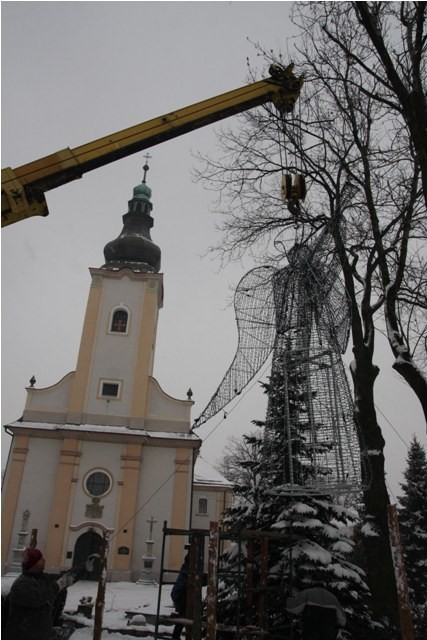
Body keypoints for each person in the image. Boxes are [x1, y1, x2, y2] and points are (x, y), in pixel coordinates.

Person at [5, 547, 95, 640]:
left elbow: (65, 578)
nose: (44, 560)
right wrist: (57, 586)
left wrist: (84, 568)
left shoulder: (42, 578)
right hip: (21, 636)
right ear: (33, 563)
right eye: (40, 559)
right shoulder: (21, 585)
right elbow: (39, 598)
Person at [171, 553, 189, 640]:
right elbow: (190, 579)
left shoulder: (185, 568)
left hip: (179, 595)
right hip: (179, 596)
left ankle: (176, 636)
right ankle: (175, 636)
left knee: (184, 615)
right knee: (183, 615)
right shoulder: (187, 569)